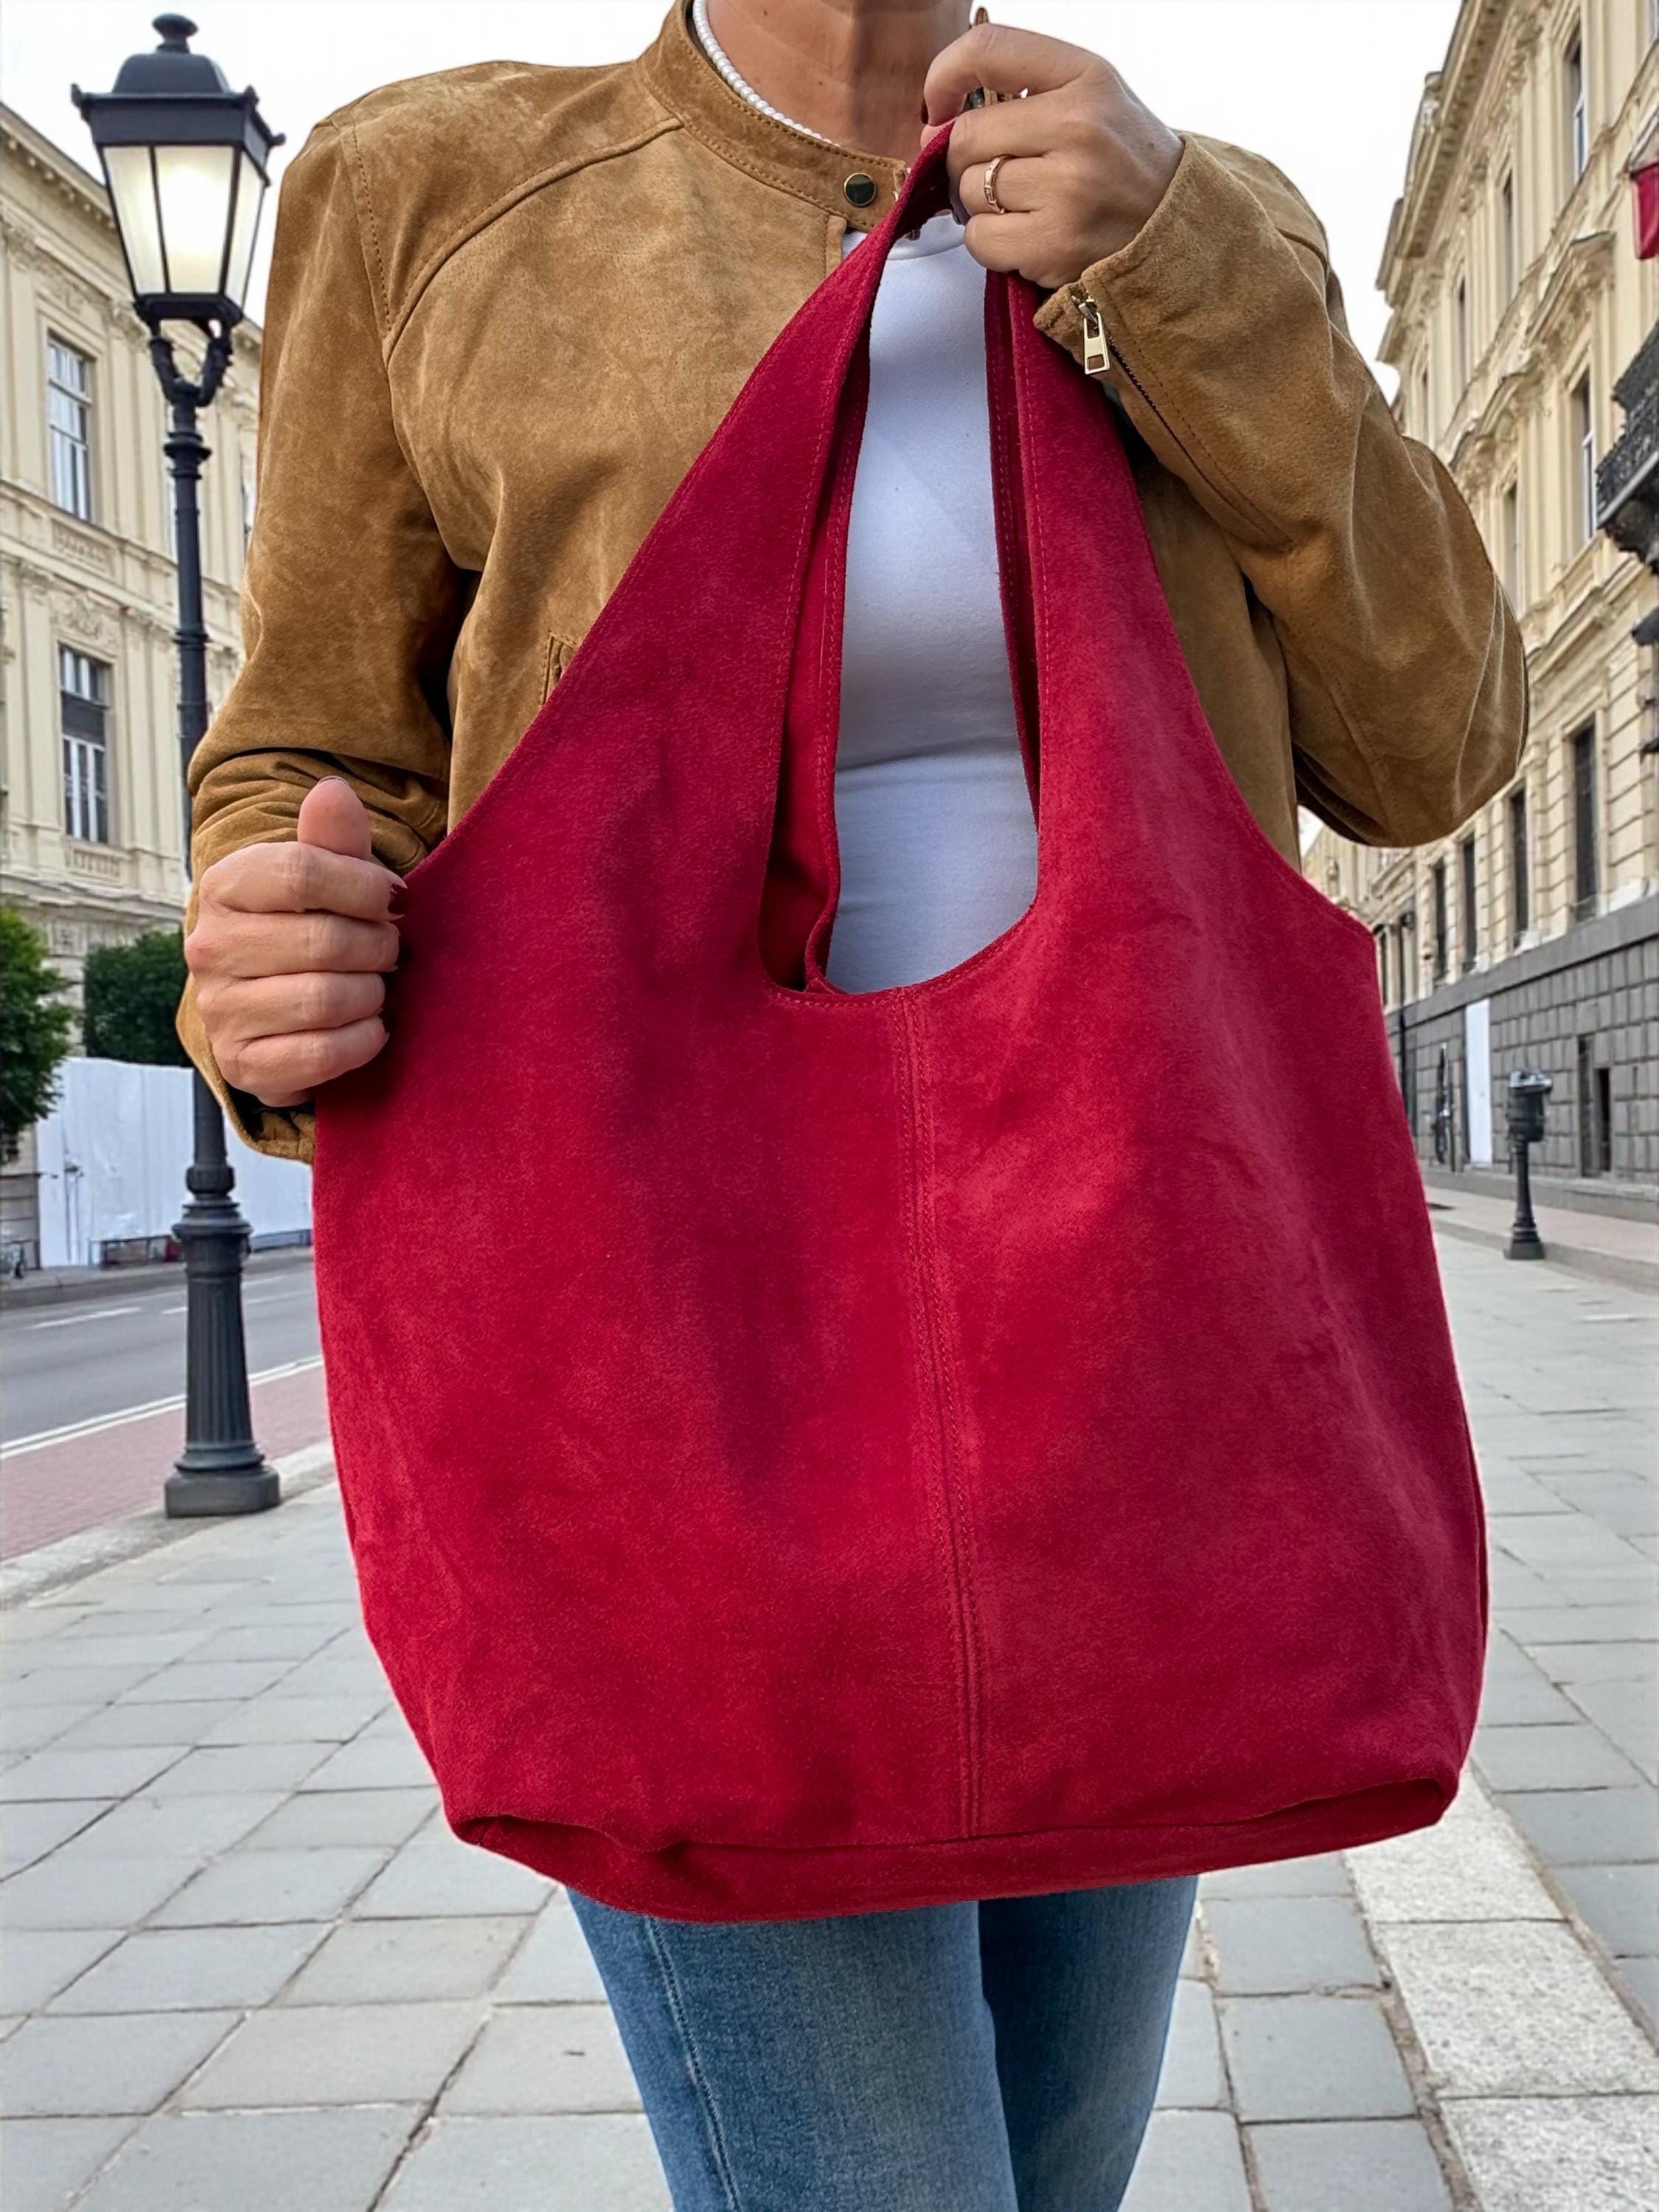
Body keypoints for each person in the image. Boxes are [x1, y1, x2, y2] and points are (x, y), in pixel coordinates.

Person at [178, 5, 1524, 2205]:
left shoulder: (1198, 202)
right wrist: (271, 942)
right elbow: (308, 744)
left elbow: (1434, 740)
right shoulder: (436, 188)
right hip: (671, 1358)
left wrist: (1180, 265)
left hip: (1131, 1329)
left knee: (1054, 2171)